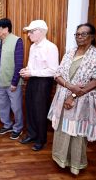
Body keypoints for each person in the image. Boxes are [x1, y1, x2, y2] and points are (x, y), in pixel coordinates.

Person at [47, 23, 96, 175]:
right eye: (77, 34)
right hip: (63, 96)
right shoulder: (70, 52)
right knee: (63, 128)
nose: (79, 37)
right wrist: (69, 86)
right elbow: (58, 74)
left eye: (83, 34)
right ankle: (61, 159)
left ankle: (76, 164)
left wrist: (73, 95)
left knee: (77, 132)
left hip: (83, 100)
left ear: (92, 37)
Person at [19, 20, 59, 151]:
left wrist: (32, 72)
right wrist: (26, 70)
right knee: (30, 108)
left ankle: (41, 140)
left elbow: (53, 71)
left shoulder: (51, 47)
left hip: (43, 83)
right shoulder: (33, 46)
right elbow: (31, 65)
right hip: (32, 80)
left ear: (41, 32)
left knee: (40, 111)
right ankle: (31, 134)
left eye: (31, 31)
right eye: (29, 32)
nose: (29, 34)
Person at [0, 18, 24, 140]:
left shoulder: (17, 41)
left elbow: (19, 63)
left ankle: (18, 128)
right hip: (0, 81)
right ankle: (7, 124)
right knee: (3, 106)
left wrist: (14, 82)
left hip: (13, 82)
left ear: (5, 29)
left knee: (16, 107)